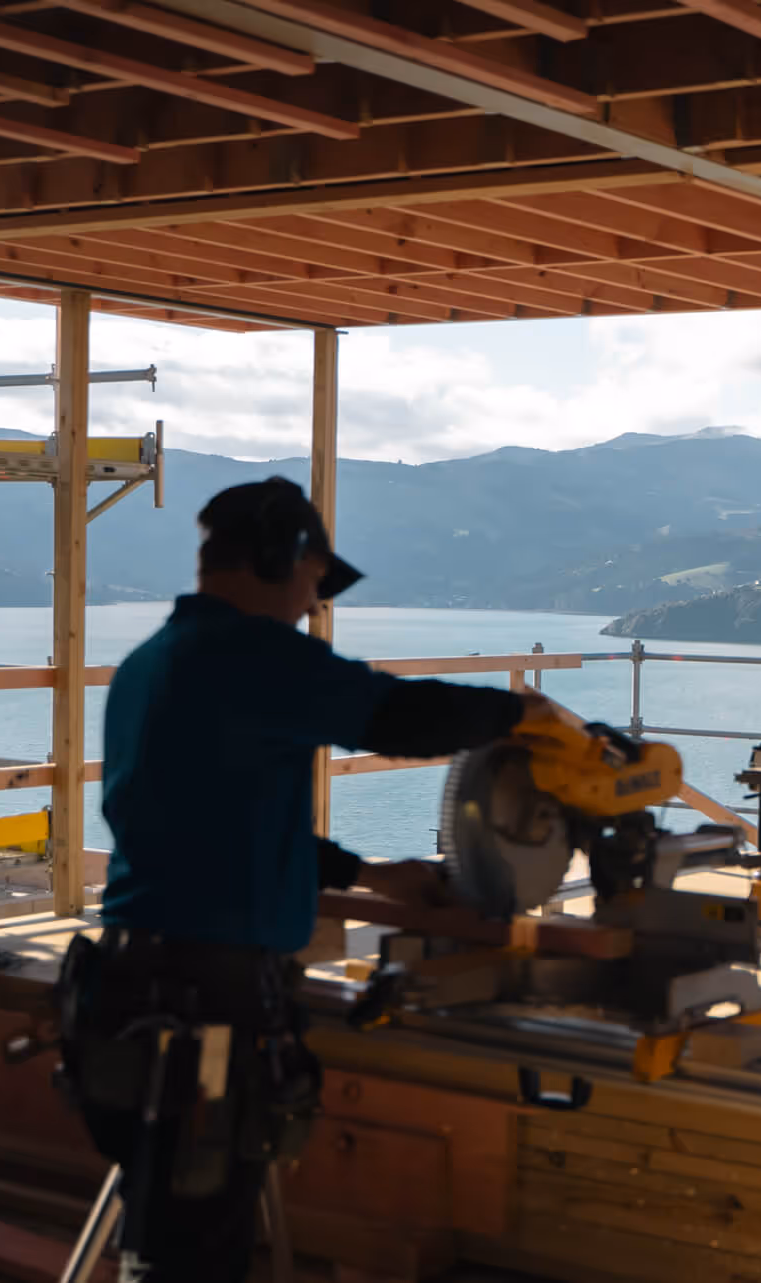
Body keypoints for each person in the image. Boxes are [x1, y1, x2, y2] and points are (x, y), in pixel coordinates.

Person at [58, 477, 546, 1282]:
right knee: (191, 1251)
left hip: (131, 984)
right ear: (281, 556)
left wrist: (369, 874)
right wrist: (527, 717)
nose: (314, 606)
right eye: (315, 583)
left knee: (169, 1227)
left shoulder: (151, 662)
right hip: (208, 1004)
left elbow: (215, 823)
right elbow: (399, 714)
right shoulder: (251, 654)